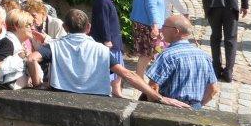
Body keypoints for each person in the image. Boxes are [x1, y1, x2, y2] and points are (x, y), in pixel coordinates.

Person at [25, 10, 188, 107]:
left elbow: (31, 59)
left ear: (65, 28)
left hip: (61, 99)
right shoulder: (101, 50)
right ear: (88, 28)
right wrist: (159, 97)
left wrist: (38, 85)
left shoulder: (54, 46)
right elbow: (127, 74)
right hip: (97, 102)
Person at [171, 0, 249, 82]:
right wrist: (245, 5)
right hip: (231, 7)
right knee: (231, 39)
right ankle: (229, 72)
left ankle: (216, 69)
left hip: (212, 6)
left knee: (215, 37)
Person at [147, 14, 219, 110]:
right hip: (194, 109)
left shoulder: (167, 56)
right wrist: (197, 106)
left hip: (169, 109)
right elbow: (213, 90)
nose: (161, 29)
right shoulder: (204, 56)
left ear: (175, 31)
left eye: (164, 26)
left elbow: (152, 88)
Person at [130, 0, 169, 77]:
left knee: (156, 49)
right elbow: (151, 5)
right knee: (148, 52)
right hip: (147, 24)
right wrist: (155, 25)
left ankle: (143, 75)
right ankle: (140, 77)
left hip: (141, 22)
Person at [90, 0, 125, 97]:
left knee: (118, 68)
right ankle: (111, 90)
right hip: (109, 41)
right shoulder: (102, 0)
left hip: (113, 39)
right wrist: (107, 39)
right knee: (114, 68)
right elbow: (103, 21)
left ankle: (116, 90)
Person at [0, 9, 36, 89]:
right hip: (0, 95)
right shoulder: (8, 43)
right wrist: (20, 57)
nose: (33, 28)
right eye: (29, 25)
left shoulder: (19, 43)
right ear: (17, 26)